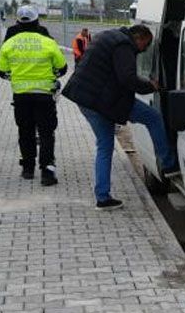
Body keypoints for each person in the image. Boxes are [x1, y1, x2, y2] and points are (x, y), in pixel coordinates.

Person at [61, 24, 178, 210]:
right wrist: (151, 86)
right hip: (102, 99)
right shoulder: (124, 46)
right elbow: (127, 78)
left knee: (105, 146)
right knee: (154, 117)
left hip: (87, 98)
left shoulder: (108, 36)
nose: (144, 50)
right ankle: (169, 164)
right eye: (145, 45)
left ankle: (102, 197)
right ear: (138, 38)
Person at [0, 11, 67, 185]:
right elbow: (62, 68)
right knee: (46, 133)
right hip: (44, 96)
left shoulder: (9, 44)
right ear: (38, 23)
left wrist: (14, 78)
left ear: (18, 24)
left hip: (21, 97)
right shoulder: (48, 42)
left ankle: (28, 168)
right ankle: (47, 171)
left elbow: (1, 71)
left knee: (25, 132)